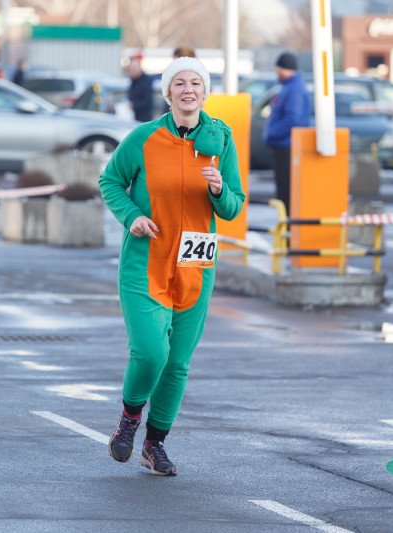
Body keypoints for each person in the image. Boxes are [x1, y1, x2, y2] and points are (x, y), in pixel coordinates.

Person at [99, 57, 246, 476]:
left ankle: (154, 444)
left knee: (177, 362)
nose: (188, 89)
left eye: (196, 83)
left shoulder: (221, 140)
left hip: (196, 263)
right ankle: (129, 420)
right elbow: (110, 181)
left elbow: (233, 207)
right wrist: (131, 216)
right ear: (167, 92)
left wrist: (218, 190)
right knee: (151, 352)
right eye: (179, 83)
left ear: (205, 92)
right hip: (146, 260)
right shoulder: (143, 138)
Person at [262, 52, 311, 214]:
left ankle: (288, 227)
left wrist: (272, 133)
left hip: (286, 147)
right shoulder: (291, 87)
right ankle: (286, 225)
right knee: (284, 191)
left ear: (285, 69)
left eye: (278, 70)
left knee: (286, 192)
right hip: (284, 146)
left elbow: (293, 119)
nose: (277, 74)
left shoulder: (294, 89)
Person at [126, 53, 154, 122]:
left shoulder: (146, 81)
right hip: (132, 117)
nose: (130, 73)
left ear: (137, 69)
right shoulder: (133, 80)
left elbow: (148, 102)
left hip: (144, 119)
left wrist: (134, 105)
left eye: (132, 70)